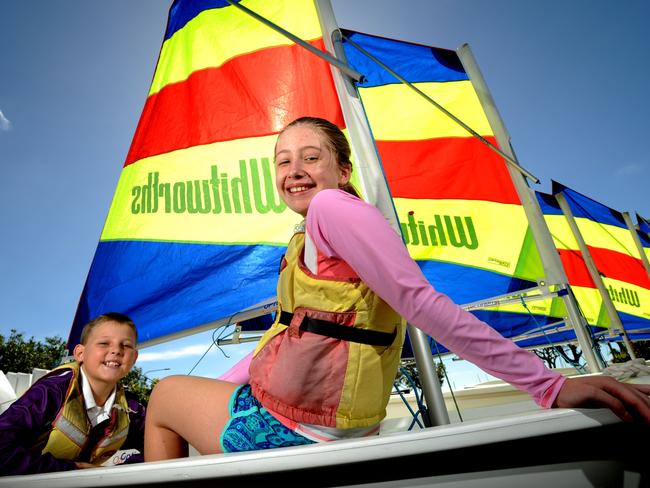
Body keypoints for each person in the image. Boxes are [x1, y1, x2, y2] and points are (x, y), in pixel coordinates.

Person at [144, 116, 650, 461]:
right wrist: (235, 387)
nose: (294, 170)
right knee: (193, 394)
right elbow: (286, 330)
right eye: (282, 160)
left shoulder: (331, 209)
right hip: (321, 419)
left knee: (165, 395)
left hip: (298, 431)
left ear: (342, 171)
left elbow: (420, 301)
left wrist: (549, 384)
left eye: (310, 158)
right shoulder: (317, 234)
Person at [0, 312, 146, 475]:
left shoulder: (131, 409)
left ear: (134, 357)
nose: (116, 350)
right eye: (104, 343)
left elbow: (160, 449)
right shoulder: (50, 392)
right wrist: (73, 471)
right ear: (80, 354)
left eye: (125, 345)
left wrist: (116, 472)